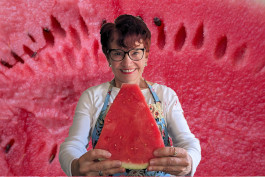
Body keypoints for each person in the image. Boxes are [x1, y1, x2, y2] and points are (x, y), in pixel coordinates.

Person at [59, 14, 201, 176]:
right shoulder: (92, 97)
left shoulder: (165, 95)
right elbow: (73, 144)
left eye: (135, 53)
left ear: (146, 55)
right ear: (108, 56)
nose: (127, 63)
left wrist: (190, 161)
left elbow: (187, 141)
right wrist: (75, 166)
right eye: (118, 53)